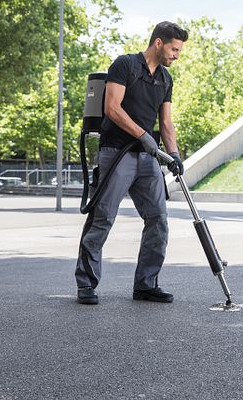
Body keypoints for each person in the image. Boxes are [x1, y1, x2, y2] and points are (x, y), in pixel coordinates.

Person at [75, 21, 187, 305]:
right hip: (117, 152)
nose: (177, 55)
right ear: (159, 43)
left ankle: (146, 284)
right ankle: (86, 284)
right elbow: (111, 108)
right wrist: (141, 135)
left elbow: (166, 122)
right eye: (174, 49)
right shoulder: (125, 65)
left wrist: (173, 154)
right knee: (102, 217)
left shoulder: (165, 79)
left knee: (158, 219)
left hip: (148, 158)